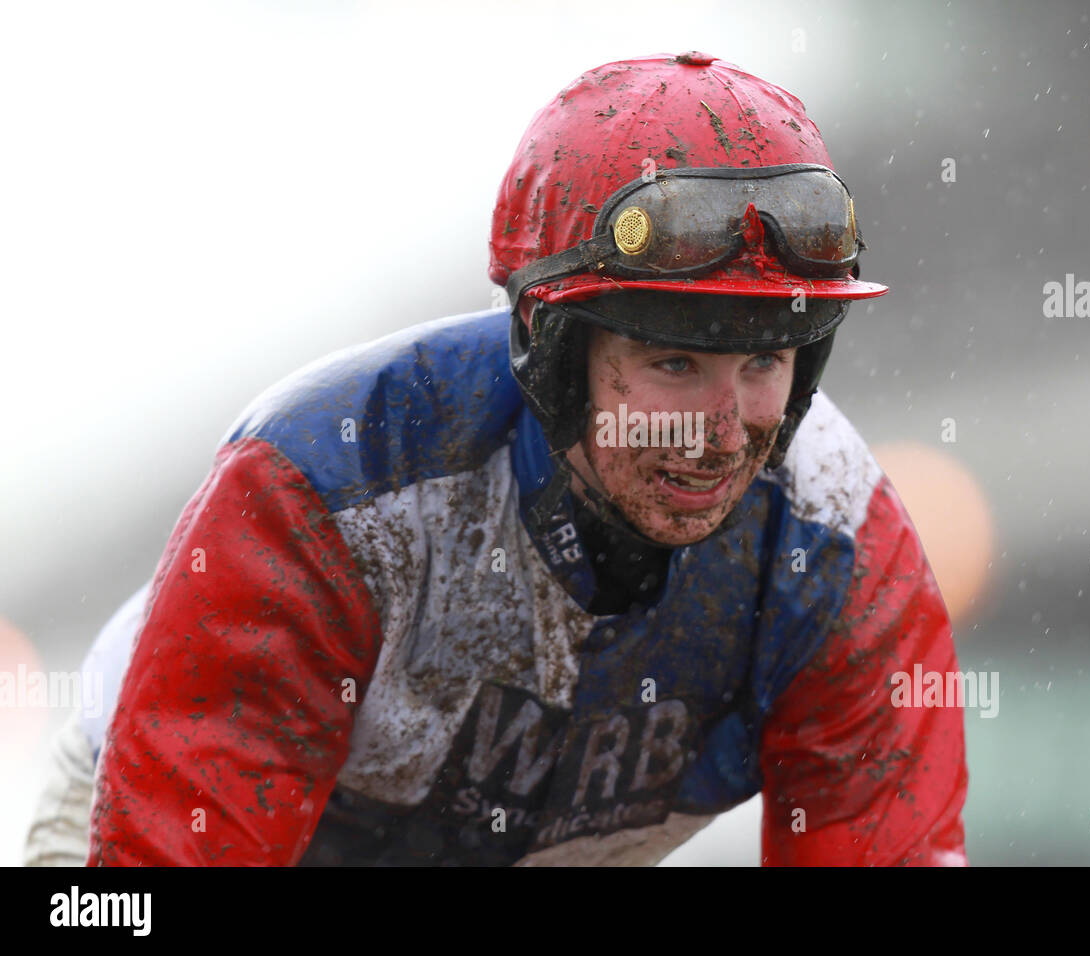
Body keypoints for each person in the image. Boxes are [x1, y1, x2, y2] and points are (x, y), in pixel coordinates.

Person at [34, 51, 968, 866]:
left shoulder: (838, 540)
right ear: (548, 352)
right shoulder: (318, 492)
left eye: (763, 360)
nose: (723, 430)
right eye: (674, 362)